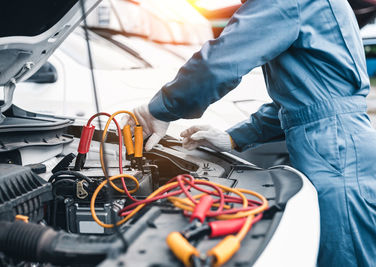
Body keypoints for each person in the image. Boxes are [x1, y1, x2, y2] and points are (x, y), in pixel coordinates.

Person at [125, 0, 376, 266]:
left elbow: (219, 64)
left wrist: (158, 110)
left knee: (343, 257)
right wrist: (235, 138)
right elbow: (310, 103)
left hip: (335, 153)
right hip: (342, 147)